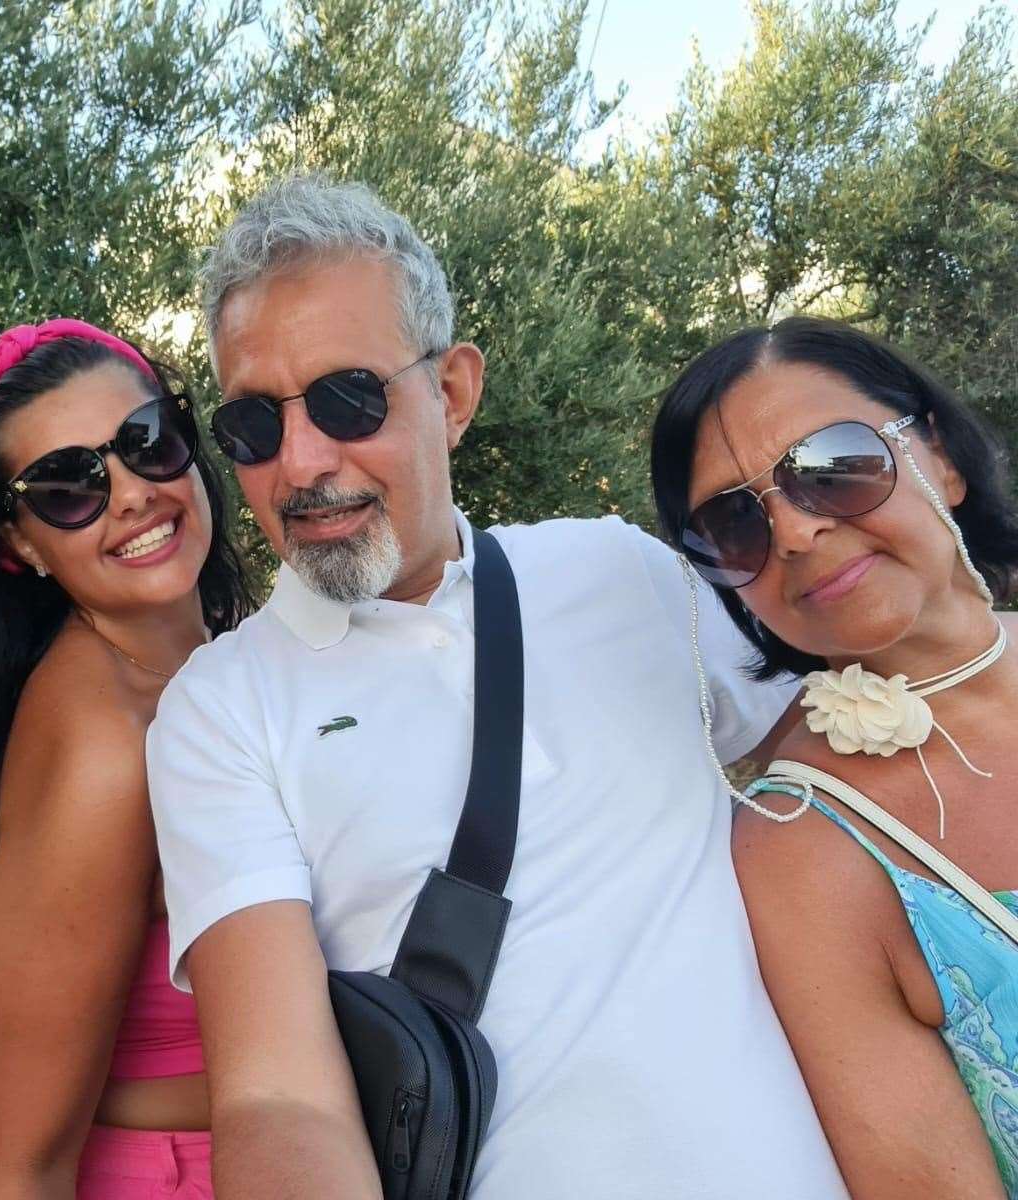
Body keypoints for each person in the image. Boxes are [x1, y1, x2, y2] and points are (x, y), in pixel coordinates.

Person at [144, 176, 850, 1199]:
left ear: (453, 393)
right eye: (252, 425)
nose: (298, 463)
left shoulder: (621, 572)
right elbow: (276, 1097)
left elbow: (830, 747)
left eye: (348, 398)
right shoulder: (221, 709)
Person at [652, 317, 1018, 1199]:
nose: (795, 535)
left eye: (833, 468)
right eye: (735, 523)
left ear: (942, 458)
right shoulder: (803, 848)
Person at [0, 319, 252, 1199]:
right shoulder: (105, 746)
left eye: (146, 442)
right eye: (65, 487)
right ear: (18, 543)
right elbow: (23, 1161)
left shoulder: (217, 667)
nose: (130, 493)